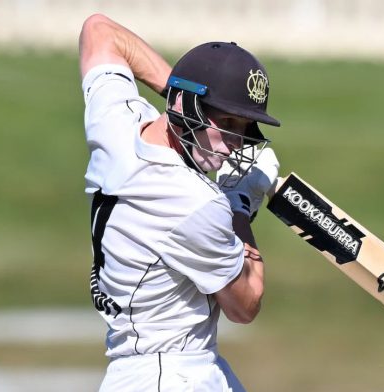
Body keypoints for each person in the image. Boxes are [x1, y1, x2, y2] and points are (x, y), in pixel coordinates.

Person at [78, 13, 280, 391]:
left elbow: (99, 32)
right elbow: (245, 304)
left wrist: (184, 95)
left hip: (140, 370)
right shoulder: (195, 203)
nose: (235, 144)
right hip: (175, 375)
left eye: (244, 129)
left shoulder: (117, 125)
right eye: (227, 123)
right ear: (188, 107)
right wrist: (239, 202)